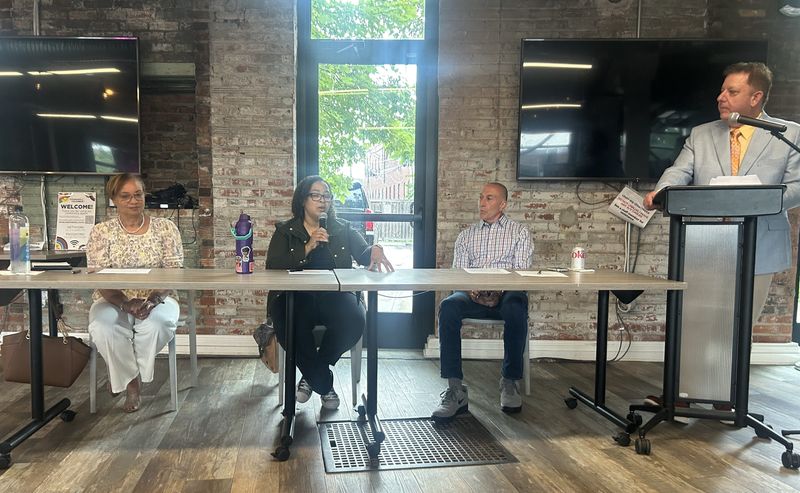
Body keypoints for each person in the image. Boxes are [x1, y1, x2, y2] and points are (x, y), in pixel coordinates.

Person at [642, 62, 800, 414]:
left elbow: (796, 188)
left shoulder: (788, 133)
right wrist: (661, 191)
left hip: (760, 244)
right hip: (706, 244)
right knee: (696, 321)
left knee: (738, 324)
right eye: (722, 90)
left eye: (732, 91)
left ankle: (729, 398)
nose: (721, 97)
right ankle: (684, 393)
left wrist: (756, 198)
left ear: (756, 97)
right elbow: (679, 171)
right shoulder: (702, 134)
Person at [266, 175, 393, 410]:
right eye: (316, 195)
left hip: (334, 295)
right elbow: (273, 264)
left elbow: (364, 253)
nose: (322, 200)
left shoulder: (342, 227)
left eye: (326, 196)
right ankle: (324, 383)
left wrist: (375, 249)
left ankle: (313, 376)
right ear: (303, 200)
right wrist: (307, 247)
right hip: (295, 297)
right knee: (289, 321)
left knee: (355, 318)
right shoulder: (286, 230)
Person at [432, 182, 533, 421]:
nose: (482, 203)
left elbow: (521, 273)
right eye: (481, 198)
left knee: (517, 305)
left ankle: (509, 382)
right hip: (472, 294)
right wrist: (472, 289)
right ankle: (455, 389)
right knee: (448, 306)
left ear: (503, 204)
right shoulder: (466, 235)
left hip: (506, 292)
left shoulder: (519, 233)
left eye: (489, 198)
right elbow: (458, 274)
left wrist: (496, 290)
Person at [86, 173, 183, 413]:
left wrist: (152, 300)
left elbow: (174, 271)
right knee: (104, 327)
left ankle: (125, 372)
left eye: (138, 194)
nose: (133, 201)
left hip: (159, 296)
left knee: (156, 326)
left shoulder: (166, 228)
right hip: (112, 298)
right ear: (114, 199)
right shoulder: (101, 232)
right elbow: (98, 276)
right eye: (125, 196)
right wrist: (125, 303)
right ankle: (131, 383)